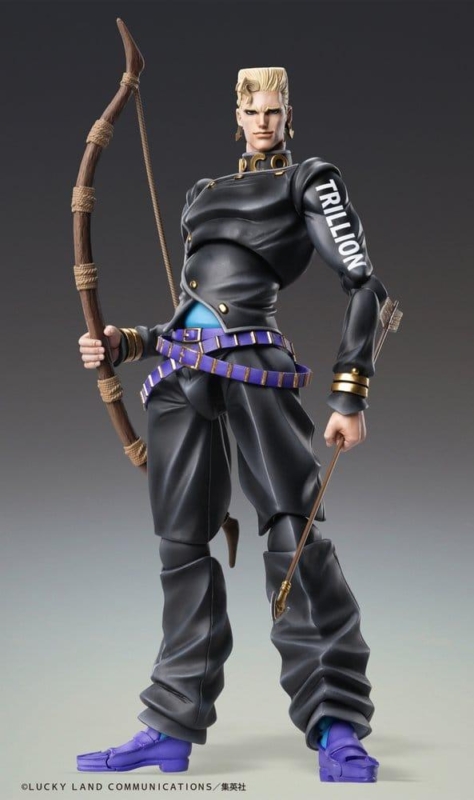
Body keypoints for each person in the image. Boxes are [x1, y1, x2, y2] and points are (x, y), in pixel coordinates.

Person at [77, 67, 387, 783]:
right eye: (254, 110)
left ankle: (337, 721)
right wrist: (128, 341)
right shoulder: (202, 193)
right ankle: (170, 723)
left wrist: (350, 394)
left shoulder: (308, 180)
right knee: (181, 546)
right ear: (238, 117)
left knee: (292, 532)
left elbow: (364, 283)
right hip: (182, 373)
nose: (265, 121)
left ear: (288, 115)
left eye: (276, 110)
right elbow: (193, 310)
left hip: (254, 365)